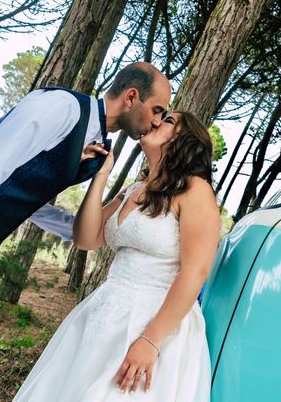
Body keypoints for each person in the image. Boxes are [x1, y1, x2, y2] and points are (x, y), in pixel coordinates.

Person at [0, 62, 171, 383]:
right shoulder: (58, 108)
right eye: (157, 109)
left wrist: (109, 229)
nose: (157, 120)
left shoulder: (96, 149)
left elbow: (29, 201)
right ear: (132, 97)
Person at [13, 111, 220, 401]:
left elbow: (195, 272)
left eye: (169, 121)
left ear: (186, 142)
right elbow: (86, 239)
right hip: (105, 312)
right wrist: (100, 177)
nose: (157, 120)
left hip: (155, 322)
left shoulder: (196, 191)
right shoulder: (133, 190)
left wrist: (151, 340)